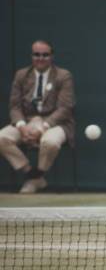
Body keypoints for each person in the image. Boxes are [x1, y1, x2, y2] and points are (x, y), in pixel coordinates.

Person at [0, 40, 76, 193]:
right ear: (31, 56)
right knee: (2, 138)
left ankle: (35, 177)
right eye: (36, 54)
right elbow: (14, 106)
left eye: (45, 55)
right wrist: (21, 126)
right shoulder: (21, 75)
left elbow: (65, 108)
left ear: (51, 56)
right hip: (27, 122)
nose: (40, 58)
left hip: (56, 123)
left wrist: (42, 127)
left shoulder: (63, 76)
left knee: (50, 142)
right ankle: (33, 176)